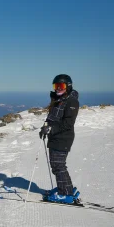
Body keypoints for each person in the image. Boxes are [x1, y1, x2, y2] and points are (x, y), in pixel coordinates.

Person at [39, 74, 80, 204]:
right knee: (57, 165)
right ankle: (66, 188)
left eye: (61, 86)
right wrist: (45, 127)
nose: (57, 89)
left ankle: (65, 194)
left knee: (58, 165)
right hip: (55, 137)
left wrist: (51, 128)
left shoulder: (71, 101)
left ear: (68, 86)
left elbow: (68, 123)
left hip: (63, 138)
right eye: (55, 86)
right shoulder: (58, 99)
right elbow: (52, 118)